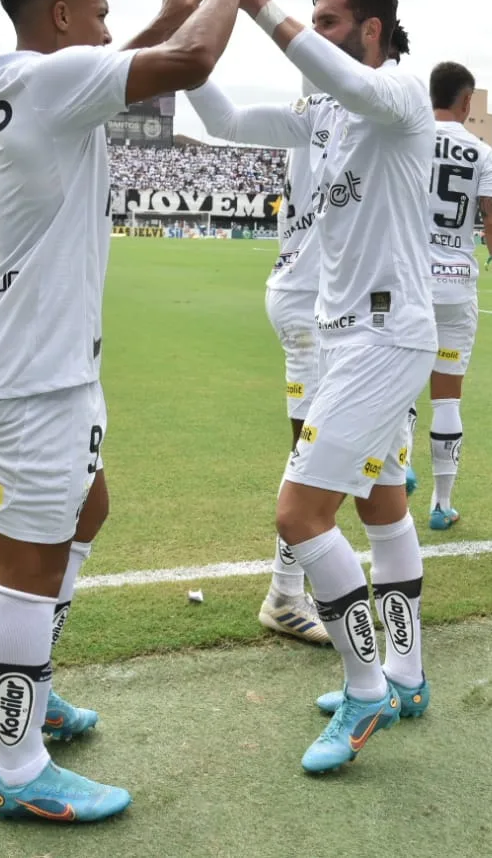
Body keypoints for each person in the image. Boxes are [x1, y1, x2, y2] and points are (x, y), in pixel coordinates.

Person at [0, 0, 263, 824]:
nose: (103, 25)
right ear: (59, 18)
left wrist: (159, 16)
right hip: (32, 369)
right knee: (27, 567)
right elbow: (195, 65)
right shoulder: (53, 84)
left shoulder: (18, 84)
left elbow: (109, 68)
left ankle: (33, 694)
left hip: (32, 360)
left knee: (88, 507)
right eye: (97, 10)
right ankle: (19, 767)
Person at [214, 0, 437, 773]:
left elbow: (347, 79)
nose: (319, 33)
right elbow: (227, 116)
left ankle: (366, 684)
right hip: (349, 337)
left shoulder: (398, 96)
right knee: (380, 506)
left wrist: (258, 3)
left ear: (370, 31)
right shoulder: (326, 115)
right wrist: (198, 20)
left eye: (333, 21)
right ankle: (406, 674)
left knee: (299, 515)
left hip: (383, 339)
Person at [180, 66, 345, 649]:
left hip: (303, 295)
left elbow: (222, 119)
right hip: (315, 303)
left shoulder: (315, 114)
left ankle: (295, 587)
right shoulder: (342, 110)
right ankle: (287, 593)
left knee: (321, 450)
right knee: (318, 455)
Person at [420, 61, 492, 530]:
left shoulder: (407, 138)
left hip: (407, 281)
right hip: (455, 284)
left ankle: (397, 471)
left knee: (399, 390)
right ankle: (441, 505)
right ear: (465, 102)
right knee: (447, 397)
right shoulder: (481, 152)